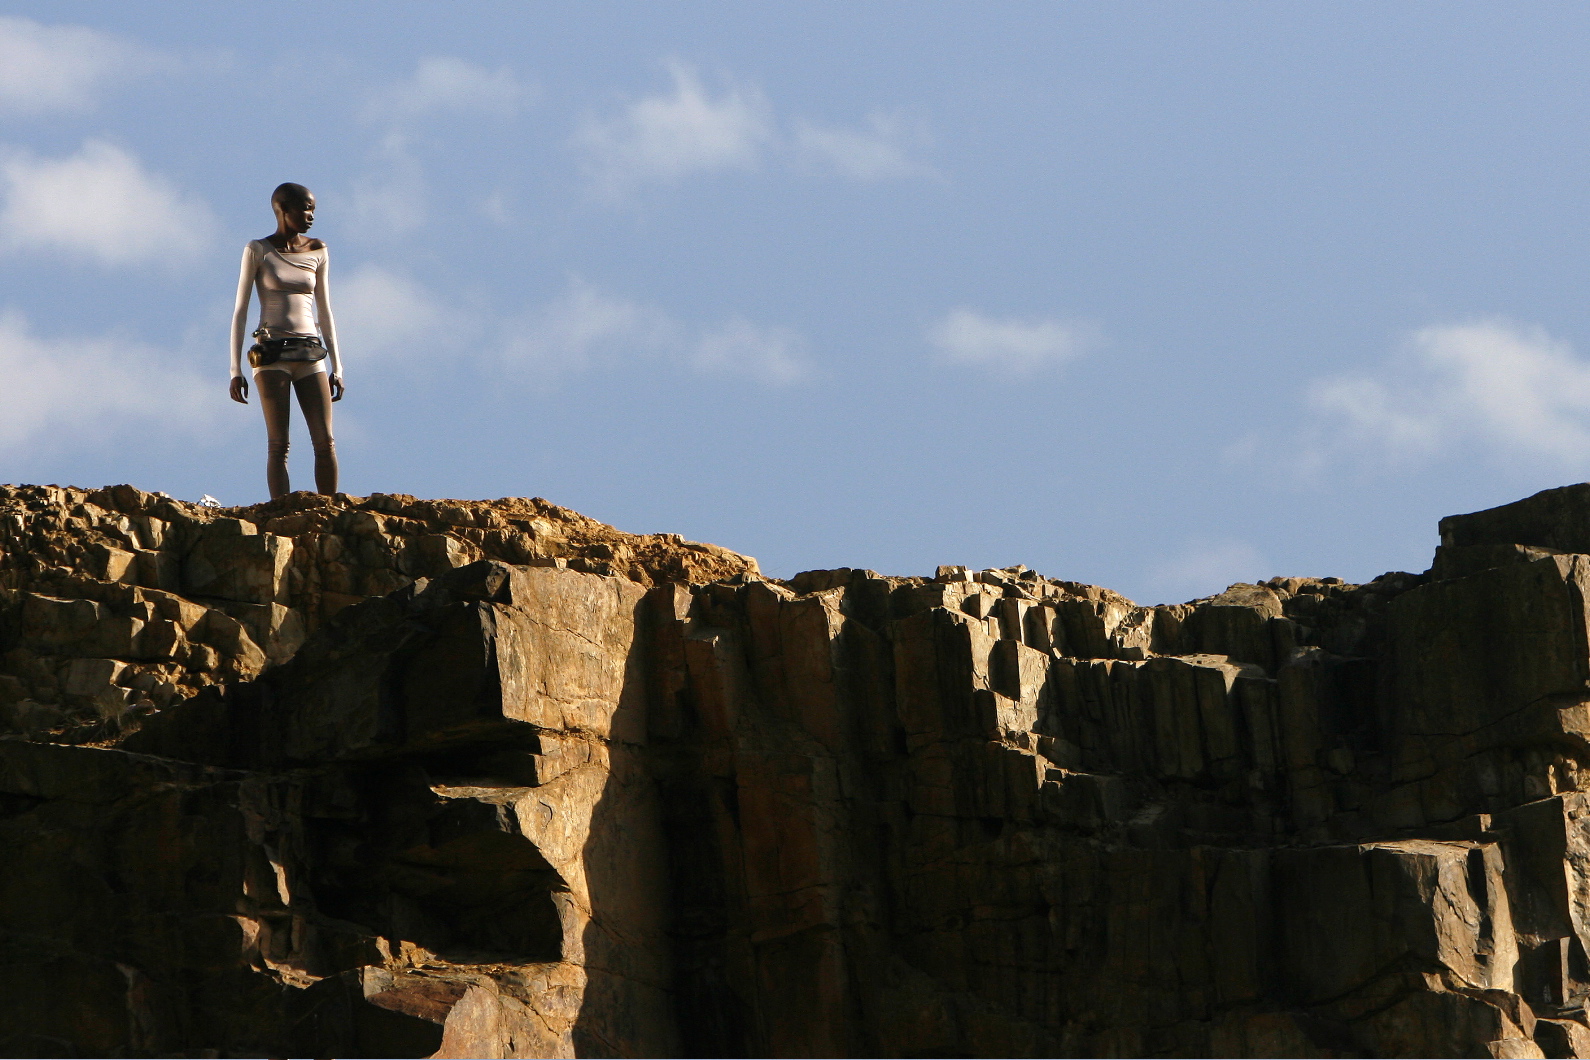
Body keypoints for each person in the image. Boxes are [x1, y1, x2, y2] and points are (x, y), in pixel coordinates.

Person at [228, 182, 345, 498]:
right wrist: (235, 371)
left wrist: (338, 366)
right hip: (272, 353)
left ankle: (329, 508)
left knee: (325, 440)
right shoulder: (258, 250)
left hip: (310, 352)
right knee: (279, 443)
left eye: (313, 209)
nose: (310, 216)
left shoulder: (318, 250)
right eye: (305, 208)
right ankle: (280, 511)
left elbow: (325, 310)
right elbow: (240, 310)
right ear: (282, 209)